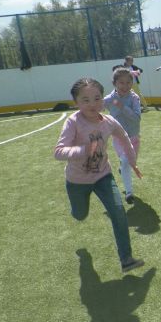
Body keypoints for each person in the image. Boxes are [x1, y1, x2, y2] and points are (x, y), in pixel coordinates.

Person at [54, 77, 145, 273]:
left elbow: (125, 139)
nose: (92, 104)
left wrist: (132, 162)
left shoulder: (108, 122)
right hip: (77, 181)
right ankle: (76, 211)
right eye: (85, 100)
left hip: (103, 176)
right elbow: (59, 152)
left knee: (118, 211)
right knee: (80, 215)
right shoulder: (73, 122)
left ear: (103, 99)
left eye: (97, 98)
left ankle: (126, 259)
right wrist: (83, 150)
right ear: (76, 103)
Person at [104, 67, 142, 204]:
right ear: (114, 83)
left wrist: (121, 106)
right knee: (126, 161)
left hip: (134, 138)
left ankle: (122, 168)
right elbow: (96, 107)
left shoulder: (134, 98)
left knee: (130, 163)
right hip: (119, 138)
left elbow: (137, 118)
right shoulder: (109, 99)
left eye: (128, 82)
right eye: (121, 82)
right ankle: (129, 192)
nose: (125, 86)